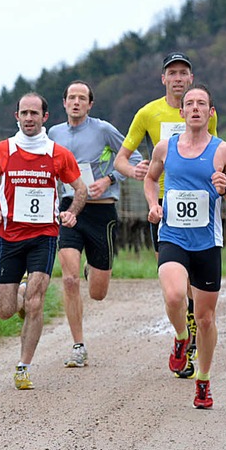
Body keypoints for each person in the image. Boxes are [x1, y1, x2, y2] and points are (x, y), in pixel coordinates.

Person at [144, 84, 226, 408]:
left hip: (206, 242)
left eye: (201, 103)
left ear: (210, 112)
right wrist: (153, 204)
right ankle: (180, 338)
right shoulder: (165, 148)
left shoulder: (224, 152)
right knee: (175, 294)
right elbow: (150, 179)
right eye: (189, 103)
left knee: (205, 318)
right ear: (181, 112)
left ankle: (203, 380)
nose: (194, 108)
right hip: (172, 235)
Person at [114, 52, 218, 378]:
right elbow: (120, 159)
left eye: (183, 73)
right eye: (171, 73)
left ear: (190, 79)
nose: (177, 78)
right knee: (174, 281)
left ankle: (190, 340)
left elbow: (211, 150)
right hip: (162, 206)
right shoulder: (147, 113)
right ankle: (184, 336)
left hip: (199, 205)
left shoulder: (203, 111)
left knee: (193, 285)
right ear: (163, 79)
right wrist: (136, 171)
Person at [0, 92, 86, 390]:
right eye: (24, 113)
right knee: (5, 310)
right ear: (17, 116)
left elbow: (81, 189)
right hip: (10, 236)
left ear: (45, 117)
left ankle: (23, 367)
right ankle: (23, 290)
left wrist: (71, 214)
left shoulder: (57, 153)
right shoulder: (3, 149)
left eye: (34, 113)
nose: (29, 118)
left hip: (44, 236)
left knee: (36, 303)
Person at [48, 80, 142, 367]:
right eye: (71, 97)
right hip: (69, 210)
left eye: (82, 98)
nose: (76, 102)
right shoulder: (54, 133)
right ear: (64, 103)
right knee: (69, 278)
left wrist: (109, 179)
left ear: (90, 104)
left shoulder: (103, 129)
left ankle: (93, 269)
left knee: (98, 293)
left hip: (102, 211)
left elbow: (133, 158)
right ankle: (78, 345)